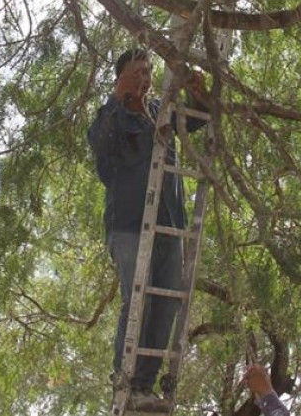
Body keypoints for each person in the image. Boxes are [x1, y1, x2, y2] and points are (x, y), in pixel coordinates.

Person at [87, 48, 210, 408]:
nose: (144, 77)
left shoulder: (161, 110)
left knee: (167, 302)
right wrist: (118, 99)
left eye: (148, 71)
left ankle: (143, 386)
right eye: (136, 72)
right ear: (121, 78)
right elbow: (99, 142)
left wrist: (197, 91)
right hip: (130, 226)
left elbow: (198, 117)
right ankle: (125, 382)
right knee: (138, 299)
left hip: (170, 226)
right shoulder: (111, 115)